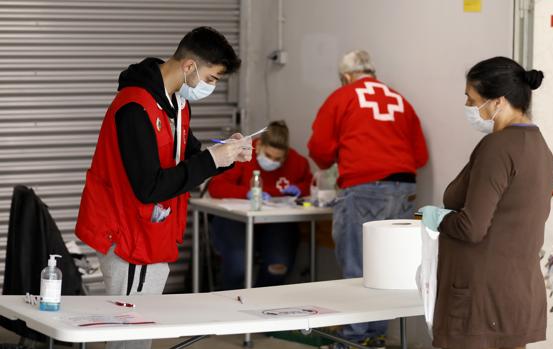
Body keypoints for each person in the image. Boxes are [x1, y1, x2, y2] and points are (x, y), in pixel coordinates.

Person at [75, 26, 249, 349]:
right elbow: (148, 186)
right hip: (126, 237)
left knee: (141, 336)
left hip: (153, 234)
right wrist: (212, 160)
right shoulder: (134, 107)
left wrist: (230, 153)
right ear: (189, 66)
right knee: (129, 339)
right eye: (211, 79)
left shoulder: (177, 104)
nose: (211, 87)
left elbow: (191, 153)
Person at [420, 56, 553, 349]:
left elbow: (472, 228)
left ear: (497, 102)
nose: (469, 108)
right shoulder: (539, 146)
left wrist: (437, 218)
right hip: (517, 293)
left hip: (482, 301)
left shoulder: (498, 147)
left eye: (472, 100)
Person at [307, 50, 428, 349]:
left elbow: (320, 150)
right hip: (403, 188)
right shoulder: (401, 100)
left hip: (363, 190)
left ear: (346, 76)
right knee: (387, 267)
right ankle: (375, 337)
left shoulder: (342, 97)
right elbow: (420, 155)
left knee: (356, 268)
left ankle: (355, 340)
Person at [208, 120, 313, 290]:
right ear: (259, 145)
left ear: (285, 155)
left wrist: (299, 189)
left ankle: (258, 301)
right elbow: (216, 186)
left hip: (275, 224)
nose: (272, 161)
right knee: (237, 268)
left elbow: (309, 183)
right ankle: (228, 303)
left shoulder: (297, 161)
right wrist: (247, 193)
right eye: (268, 155)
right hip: (236, 221)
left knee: (278, 267)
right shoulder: (242, 154)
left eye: (278, 159)